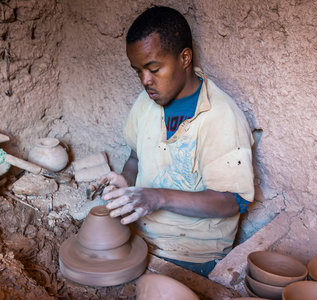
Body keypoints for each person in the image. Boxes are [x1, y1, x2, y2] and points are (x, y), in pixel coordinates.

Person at [100, 6, 255, 277]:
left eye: (154, 68)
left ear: (184, 58)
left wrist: (158, 197)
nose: (145, 81)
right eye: (138, 71)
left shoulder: (220, 116)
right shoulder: (146, 104)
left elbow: (234, 201)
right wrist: (126, 181)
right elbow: (135, 157)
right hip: (141, 236)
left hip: (192, 253)